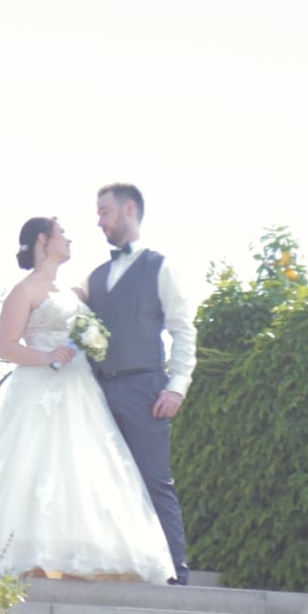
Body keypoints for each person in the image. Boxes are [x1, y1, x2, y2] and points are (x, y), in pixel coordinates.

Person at [0, 216, 176, 585]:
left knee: (81, 465)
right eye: (63, 234)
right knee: (31, 463)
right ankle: (22, 555)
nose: (70, 240)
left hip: (81, 390)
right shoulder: (25, 290)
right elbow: (6, 346)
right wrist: (48, 357)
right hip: (37, 388)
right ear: (44, 239)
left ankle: (76, 557)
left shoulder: (73, 291)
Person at [87, 183, 195, 585]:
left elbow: (183, 330)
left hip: (145, 387)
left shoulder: (160, 267)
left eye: (104, 212)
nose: (99, 221)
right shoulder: (95, 277)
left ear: (129, 209)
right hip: (95, 391)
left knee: (154, 479)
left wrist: (176, 386)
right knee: (100, 480)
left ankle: (176, 572)